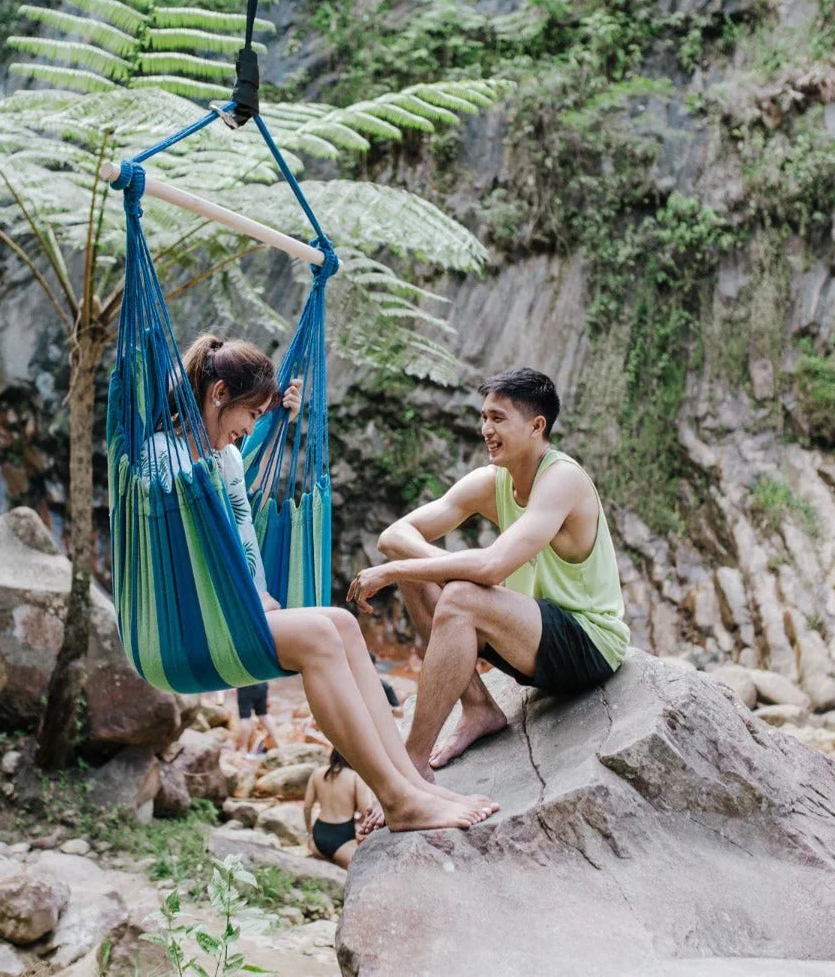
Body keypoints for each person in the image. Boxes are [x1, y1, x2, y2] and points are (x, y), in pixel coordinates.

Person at [141, 334, 494, 833]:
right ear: (218, 393)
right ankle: (398, 802)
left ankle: (411, 784)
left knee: (343, 624)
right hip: (195, 628)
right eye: (250, 414)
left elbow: (233, 503)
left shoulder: (227, 459)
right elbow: (192, 538)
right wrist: (245, 598)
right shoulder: (163, 460)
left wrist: (276, 422)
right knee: (321, 637)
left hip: (241, 614)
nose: (249, 430)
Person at [348, 367, 629, 784]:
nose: (486, 429)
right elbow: (394, 536)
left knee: (460, 593)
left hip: (588, 643)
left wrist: (398, 570)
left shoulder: (562, 479)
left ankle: (411, 770)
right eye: (484, 417)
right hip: (530, 638)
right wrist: (418, 569)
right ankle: (479, 707)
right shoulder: (492, 482)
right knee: (432, 577)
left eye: (498, 418)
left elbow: (492, 567)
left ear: (537, 426)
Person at [303, 749, 374, 867]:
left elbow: (307, 807)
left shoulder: (317, 773)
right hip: (343, 835)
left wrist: (309, 832)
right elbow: (365, 809)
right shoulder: (355, 776)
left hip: (319, 833)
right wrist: (360, 823)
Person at [234, 682, 282, 755]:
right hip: (261, 682)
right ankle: (278, 742)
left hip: (245, 684)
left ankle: (243, 749)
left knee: (245, 718)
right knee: (264, 714)